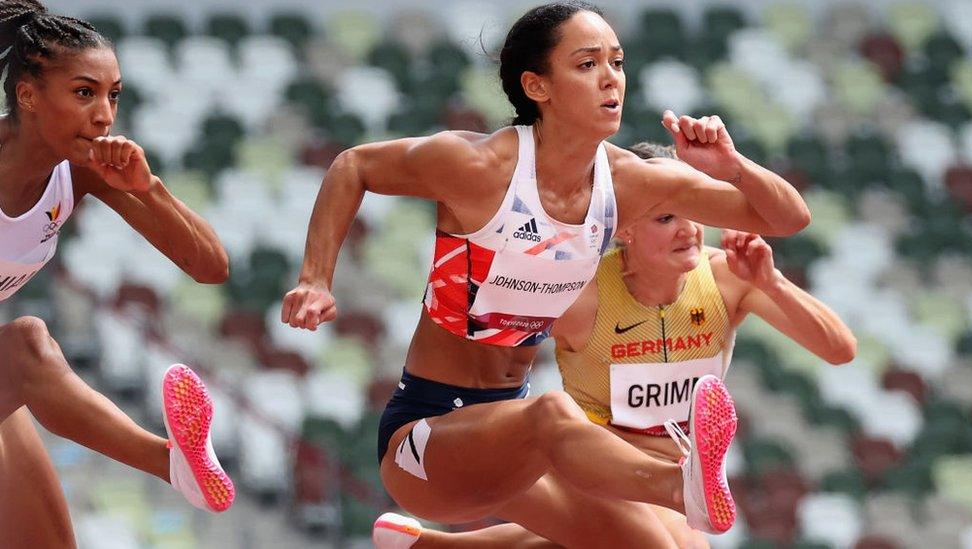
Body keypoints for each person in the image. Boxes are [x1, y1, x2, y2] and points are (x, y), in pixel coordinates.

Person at [283, 2, 810, 546]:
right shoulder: (479, 167)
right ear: (538, 86)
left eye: (618, 62)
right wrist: (315, 279)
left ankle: (422, 545)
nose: (611, 79)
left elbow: (787, 218)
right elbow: (354, 166)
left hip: (513, 442)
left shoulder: (629, 183)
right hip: (428, 437)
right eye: (586, 64)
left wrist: (734, 168)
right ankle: (682, 485)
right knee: (557, 412)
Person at [373, 142, 857, 547]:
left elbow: (840, 349)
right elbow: (487, 348)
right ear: (623, 229)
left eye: (693, 213)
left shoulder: (731, 276)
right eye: (666, 217)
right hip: (597, 465)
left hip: (680, 468)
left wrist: (773, 285)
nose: (689, 228)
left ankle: (432, 546)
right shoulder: (579, 290)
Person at [0, 1, 235, 546]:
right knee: (26, 344)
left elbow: (211, 267)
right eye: (85, 93)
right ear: (28, 95)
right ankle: (171, 462)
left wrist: (146, 189)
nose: (105, 114)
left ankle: (179, 466)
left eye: (114, 95)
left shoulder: (82, 172)